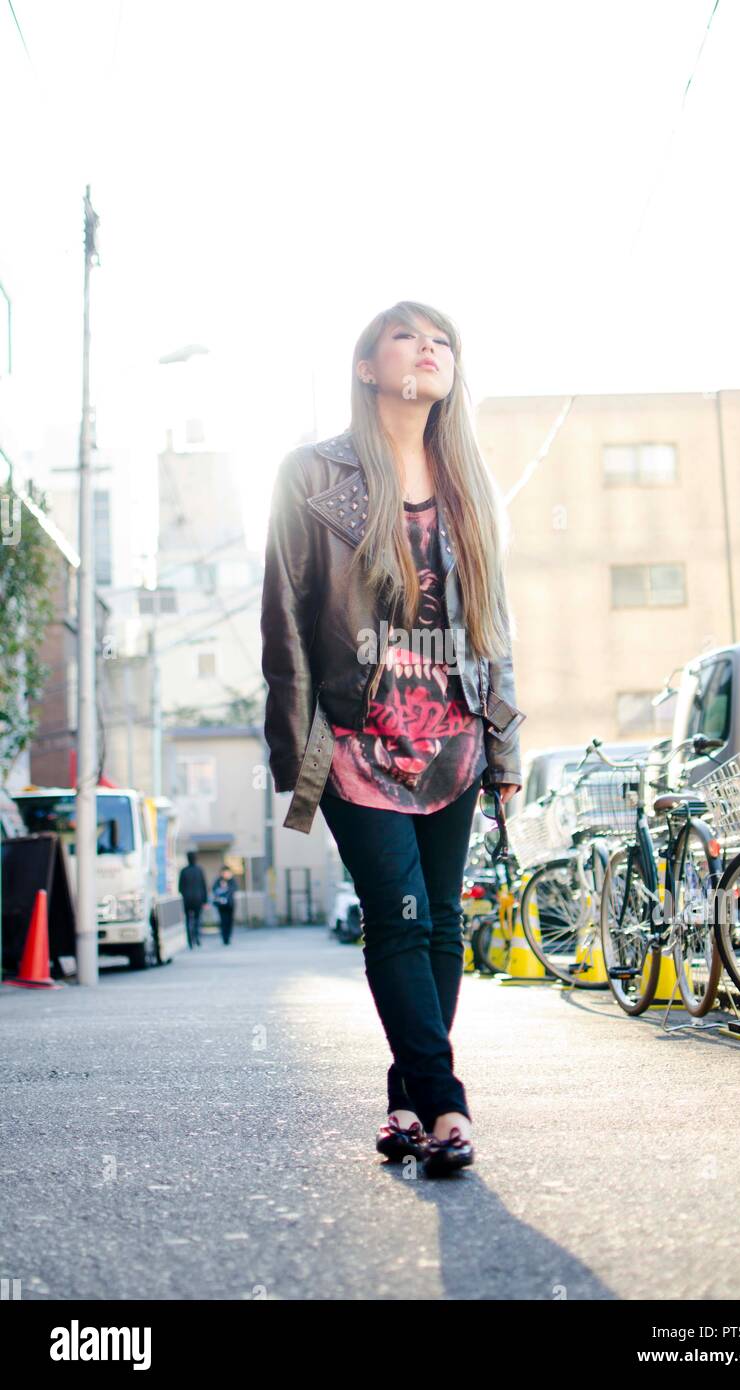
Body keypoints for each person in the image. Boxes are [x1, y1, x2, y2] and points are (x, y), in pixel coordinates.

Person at [261, 300, 525, 1176]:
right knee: (399, 917)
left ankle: (406, 1101)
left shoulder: (469, 482)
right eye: (409, 336)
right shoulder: (311, 474)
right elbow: (287, 620)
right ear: (368, 366)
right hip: (355, 742)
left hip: (451, 738)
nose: (429, 349)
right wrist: (299, 745)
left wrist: (505, 746)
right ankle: (448, 1105)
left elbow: (494, 625)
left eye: (443, 340)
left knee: (442, 922)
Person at [178, 849, 207, 949]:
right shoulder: (199, 870)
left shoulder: (184, 871)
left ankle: (190, 940)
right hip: (198, 899)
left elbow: (180, 887)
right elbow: (204, 886)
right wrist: (205, 900)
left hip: (186, 899)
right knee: (197, 919)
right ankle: (197, 938)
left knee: (188, 920)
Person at [212, 865, 236, 945]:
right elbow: (214, 889)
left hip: (230, 905)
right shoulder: (218, 881)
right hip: (221, 905)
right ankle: (224, 937)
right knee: (223, 921)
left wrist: (226, 887)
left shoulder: (231, 881)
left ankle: (228, 937)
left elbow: (234, 889)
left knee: (229, 921)